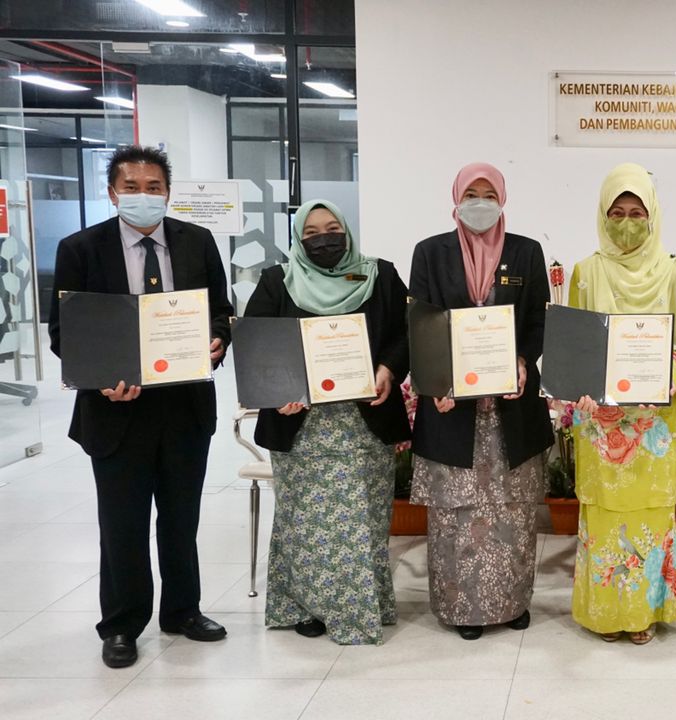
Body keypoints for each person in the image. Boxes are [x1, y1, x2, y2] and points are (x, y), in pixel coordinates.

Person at [48, 145, 234, 668]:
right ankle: (122, 625)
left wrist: (218, 340)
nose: (143, 196)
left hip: (184, 405)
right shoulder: (80, 249)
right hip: (115, 409)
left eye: (154, 187)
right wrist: (101, 379)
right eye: (132, 187)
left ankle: (183, 610)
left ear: (167, 193)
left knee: (181, 517)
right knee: (122, 524)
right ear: (112, 193)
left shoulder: (197, 242)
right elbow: (65, 332)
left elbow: (220, 310)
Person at [244, 199, 409, 645]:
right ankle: (308, 607)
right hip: (301, 425)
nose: (324, 239)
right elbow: (256, 344)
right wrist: (279, 391)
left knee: (363, 520)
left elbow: (405, 332)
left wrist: (388, 369)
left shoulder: (380, 275)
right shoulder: (277, 281)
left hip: (364, 422)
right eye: (312, 233)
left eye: (332, 228)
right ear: (299, 239)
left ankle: (363, 605)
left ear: (347, 231)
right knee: (305, 523)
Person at [410, 163, 553, 640]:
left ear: (502, 198)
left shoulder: (526, 251)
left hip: (511, 404)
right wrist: (437, 381)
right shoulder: (430, 252)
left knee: (513, 510)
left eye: (488, 194)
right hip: (453, 405)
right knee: (456, 512)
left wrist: (522, 359)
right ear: (455, 197)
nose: (479, 202)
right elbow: (422, 322)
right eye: (470, 193)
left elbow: (538, 320)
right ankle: (462, 610)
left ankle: (512, 604)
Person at [568, 162, 676, 645]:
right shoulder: (585, 271)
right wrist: (579, 384)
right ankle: (605, 614)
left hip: (653, 424)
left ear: (652, 215)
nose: (627, 222)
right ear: (603, 215)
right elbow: (575, 344)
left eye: (636, 212)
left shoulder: (674, 270)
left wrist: (662, 381)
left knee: (650, 517)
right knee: (605, 517)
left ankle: (643, 613)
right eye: (617, 213)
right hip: (601, 426)